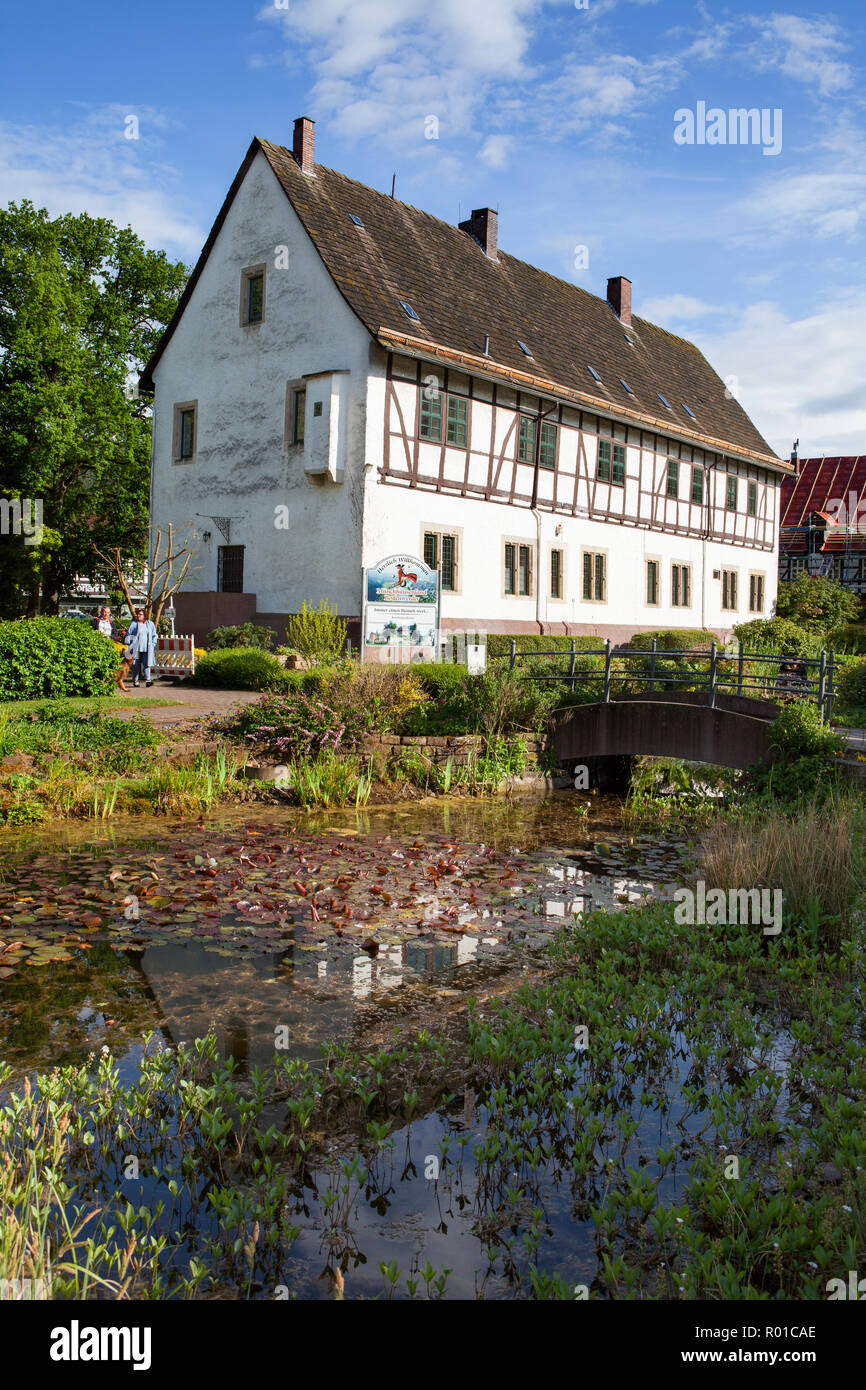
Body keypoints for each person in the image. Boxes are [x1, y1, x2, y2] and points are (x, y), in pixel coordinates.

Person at [125, 607, 158, 688]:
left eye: (140, 614)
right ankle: (136, 681)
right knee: (136, 665)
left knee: (147, 664)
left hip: (147, 648)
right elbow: (128, 634)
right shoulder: (134, 624)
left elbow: (154, 635)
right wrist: (130, 644)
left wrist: (153, 644)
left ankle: (148, 680)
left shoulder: (150, 624)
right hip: (136, 649)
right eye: (138, 614)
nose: (138, 616)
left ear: (145, 616)